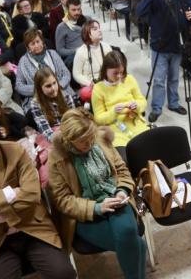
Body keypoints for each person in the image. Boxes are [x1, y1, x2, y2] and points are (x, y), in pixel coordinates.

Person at [0, 109, 76, 279]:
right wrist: (10, 193)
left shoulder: (16, 151)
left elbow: (32, 194)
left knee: (65, 274)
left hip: (32, 226)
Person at [47, 108, 146, 279]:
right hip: (85, 212)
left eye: (91, 137)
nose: (90, 143)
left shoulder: (99, 138)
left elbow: (122, 170)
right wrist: (97, 207)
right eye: (84, 141)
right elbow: (63, 201)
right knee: (135, 243)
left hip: (115, 197)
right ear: (69, 141)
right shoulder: (57, 158)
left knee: (127, 232)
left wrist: (122, 191)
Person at [136, 0, 191, 122]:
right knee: (158, 79)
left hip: (178, 44)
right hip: (160, 44)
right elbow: (139, 12)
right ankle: (157, 107)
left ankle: (173, 103)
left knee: (174, 77)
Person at [91, 51, 147, 150]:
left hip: (136, 122)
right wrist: (114, 112)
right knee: (127, 156)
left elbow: (143, 102)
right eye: (115, 73)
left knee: (149, 148)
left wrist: (137, 105)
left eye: (121, 72)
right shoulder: (98, 89)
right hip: (115, 129)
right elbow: (98, 119)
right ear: (105, 70)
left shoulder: (129, 79)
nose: (119, 76)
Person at [16, 29, 74, 110]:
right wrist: (40, 90)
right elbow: (19, 86)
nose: (36, 45)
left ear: (42, 42)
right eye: (32, 44)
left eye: (38, 41)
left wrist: (57, 86)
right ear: (28, 47)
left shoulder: (53, 54)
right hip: (38, 97)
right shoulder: (23, 61)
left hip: (60, 91)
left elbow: (66, 74)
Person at [28, 67, 78, 140]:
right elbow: (46, 131)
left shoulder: (66, 96)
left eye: (54, 83)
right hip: (53, 138)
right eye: (48, 86)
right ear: (40, 88)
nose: (53, 88)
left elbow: (74, 120)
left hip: (70, 132)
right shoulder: (35, 104)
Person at [72, 20, 112, 103]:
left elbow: (113, 66)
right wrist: (89, 83)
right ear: (88, 33)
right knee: (85, 93)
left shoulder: (106, 47)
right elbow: (76, 74)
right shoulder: (81, 52)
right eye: (95, 29)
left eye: (99, 28)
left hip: (106, 81)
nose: (99, 30)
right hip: (90, 84)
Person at [55, 0, 87, 68]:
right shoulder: (62, 27)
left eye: (78, 9)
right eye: (73, 10)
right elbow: (60, 50)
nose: (77, 12)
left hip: (90, 50)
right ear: (67, 10)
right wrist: (76, 50)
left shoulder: (87, 20)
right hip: (74, 56)